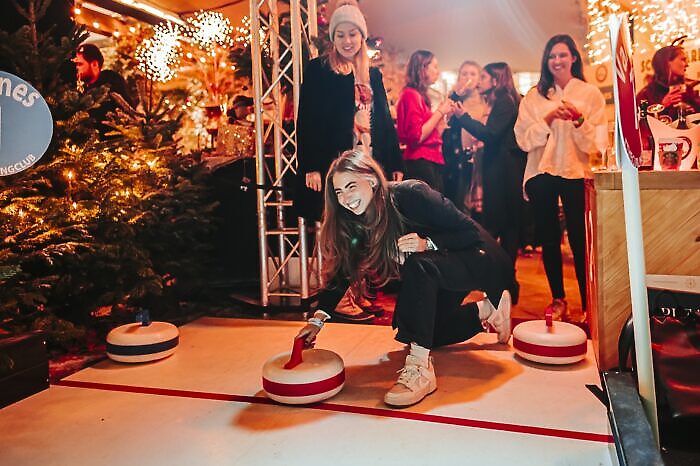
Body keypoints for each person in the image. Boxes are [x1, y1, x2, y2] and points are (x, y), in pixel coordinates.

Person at [296, 149, 515, 408]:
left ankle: (421, 369)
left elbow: (470, 233)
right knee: (421, 330)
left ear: (372, 180)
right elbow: (345, 270)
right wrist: (317, 320)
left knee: (417, 264)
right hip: (441, 267)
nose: (345, 198)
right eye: (339, 192)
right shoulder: (358, 221)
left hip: (480, 259)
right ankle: (488, 310)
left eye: (351, 186)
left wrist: (427, 243)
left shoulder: (412, 194)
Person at [293, 4, 403, 323]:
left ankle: (355, 292)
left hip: (367, 164)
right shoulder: (319, 70)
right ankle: (339, 298)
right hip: (334, 165)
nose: (347, 40)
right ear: (333, 38)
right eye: (340, 34)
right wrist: (311, 166)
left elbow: (384, 121)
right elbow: (307, 119)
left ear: (362, 36)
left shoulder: (372, 74)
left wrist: (393, 161)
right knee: (339, 232)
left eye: (353, 34)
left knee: (364, 230)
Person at [514, 34, 607, 321]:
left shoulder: (589, 94)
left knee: (580, 239)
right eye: (552, 56)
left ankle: (588, 303)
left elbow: (595, 145)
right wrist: (550, 118)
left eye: (562, 55)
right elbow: (523, 140)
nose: (557, 60)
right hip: (541, 172)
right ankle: (558, 299)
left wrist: (578, 118)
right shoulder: (535, 96)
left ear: (573, 58)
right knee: (549, 238)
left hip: (575, 172)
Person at [452, 62, 526, 280]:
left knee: (501, 225)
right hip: (500, 168)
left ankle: (500, 278)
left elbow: (490, 134)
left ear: (495, 80)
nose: (478, 82)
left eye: (483, 77)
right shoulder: (499, 101)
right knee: (503, 225)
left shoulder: (505, 102)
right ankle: (502, 278)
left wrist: (463, 117)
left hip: (504, 171)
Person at [396, 50, 455, 193]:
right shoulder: (411, 95)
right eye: (434, 66)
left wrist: (444, 117)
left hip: (430, 160)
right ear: (422, 68)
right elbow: (417, 136)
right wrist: (440, 111)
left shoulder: (419, 96)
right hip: (421, 163)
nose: (438, 71)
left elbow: (432, 135)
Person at [442, 60, 488, 212]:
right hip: (458, 159)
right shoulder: (454, 100)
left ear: (479, 78)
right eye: (464, 74)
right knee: (459, 200)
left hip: (481, 157)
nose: (468, 77)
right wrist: (455, 95)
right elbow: (445, 123)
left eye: (473, 74)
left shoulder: (486, 101)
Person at [74, 43, 133, 135]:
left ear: (94, 64)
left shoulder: (111, 83)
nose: (77, 68)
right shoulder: (82, 91)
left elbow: (126, 111)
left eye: (80, 64)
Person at [636, 43, 700, 122]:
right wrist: (662, 106)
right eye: (683, 59)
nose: (687, 64)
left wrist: (691, 109)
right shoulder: (646, 94)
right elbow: (640, 123)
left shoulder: (687, 88)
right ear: (667, 62)